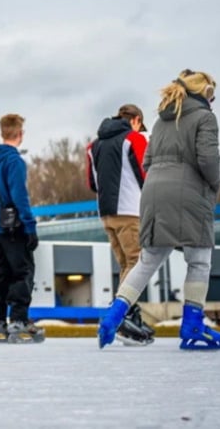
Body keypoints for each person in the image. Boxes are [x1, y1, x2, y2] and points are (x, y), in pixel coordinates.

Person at [99, 69, 220, 351]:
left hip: (154, 193)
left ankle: (113, 316)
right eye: (212, 95)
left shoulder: (159, 121)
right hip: (190, 193)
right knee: (199, 259)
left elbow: (147, 162)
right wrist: (214, 186)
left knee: (148, 260)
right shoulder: (205, 118)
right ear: (204, 94)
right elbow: (208, 160)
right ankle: (193, 324)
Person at [86, 104, 155, 345]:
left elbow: (92, 182)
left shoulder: (93, 145)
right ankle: (121, 317)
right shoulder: (132, 139)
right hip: (130, 209)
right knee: (137, 263)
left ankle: (127, 313)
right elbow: (146, 174)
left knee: (126, 263)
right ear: (136, 120)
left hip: (106, 212)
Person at [0, 114, 44, 343]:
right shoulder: (14, 161)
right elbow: (20, 195)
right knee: (23, 271)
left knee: (3, 273)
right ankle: (19, 320)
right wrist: (30, 226)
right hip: (14, 226)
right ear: (20, 134)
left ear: (3, 133)